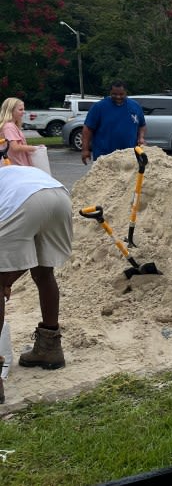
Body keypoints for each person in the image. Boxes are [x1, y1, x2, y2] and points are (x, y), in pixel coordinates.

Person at [0, 164, 73, 403]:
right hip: (58, 196)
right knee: (43, 274)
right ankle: (49, 348)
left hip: (25, 203)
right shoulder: (10, 173)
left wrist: (5, 280)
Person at [81, 81, 146, 165]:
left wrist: (141, 137)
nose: (118, 97)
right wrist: (85, 149)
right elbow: (87, 129)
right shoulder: (99, 107)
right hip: (104, 156)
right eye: (114, 94)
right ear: (110, 92)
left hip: (129, 155)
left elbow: (142, 125)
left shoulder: (135, 106)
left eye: (121, 94)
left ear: (126, 92)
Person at [0, 97, 37, 166]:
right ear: (11, 111)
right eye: (20, 109)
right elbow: (15, 147)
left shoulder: (11, 125)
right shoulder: (9, 127)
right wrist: (34, 148)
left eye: (23, 109)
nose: (23, 112)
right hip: (14, 166)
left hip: (14, 165)